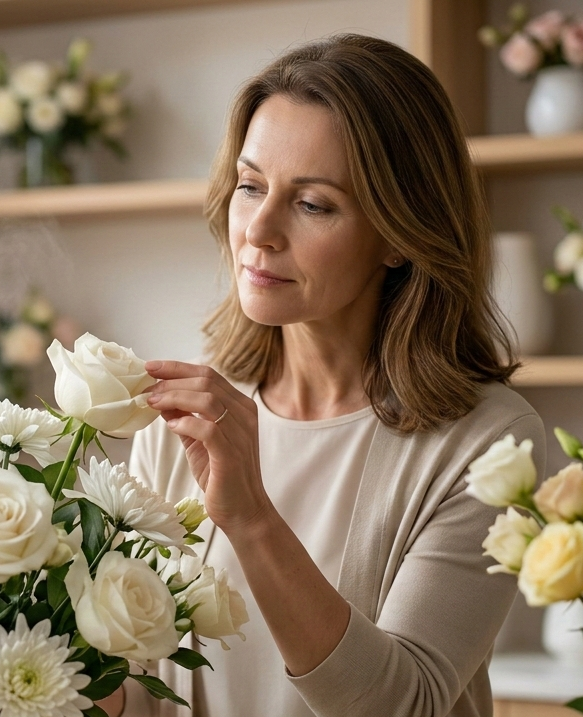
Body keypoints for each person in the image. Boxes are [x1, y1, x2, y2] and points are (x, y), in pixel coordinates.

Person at [117, 34, 545, 717]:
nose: (257, 229)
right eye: (250, 185)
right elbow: (145, 697)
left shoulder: (490, 444)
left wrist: (251, 516)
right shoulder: (183, 418)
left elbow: (403, 704)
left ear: (401, 234)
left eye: (311, 203)